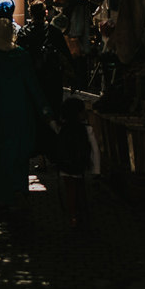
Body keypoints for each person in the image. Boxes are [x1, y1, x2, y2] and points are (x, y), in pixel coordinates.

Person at [0, 18, 51, 211]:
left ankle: (3, 196)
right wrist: (45, 109)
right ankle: (20, 189)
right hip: (21, 113)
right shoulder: (22, 56)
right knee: (20, 154)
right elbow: (33, 86)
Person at [17, 1, 73, 119]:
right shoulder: (54, 32)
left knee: (33, 113)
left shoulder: (23, 33)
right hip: (52, 78)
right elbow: (66, 55)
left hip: (31, 78)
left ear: (30, 13)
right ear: (45, 13)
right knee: (53, 111)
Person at [56, 97, 93, 227]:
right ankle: (79, 214)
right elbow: (90, 149)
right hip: (78, 165)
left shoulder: (63, 129)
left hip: (65, 165)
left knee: (70, 189)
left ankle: (73, 216)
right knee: (79, 189)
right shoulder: (84, 129)